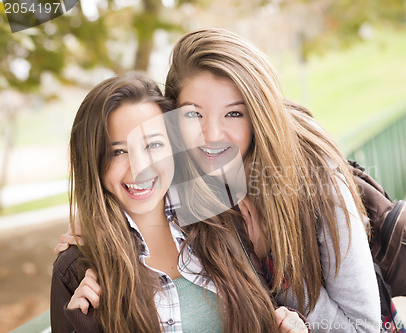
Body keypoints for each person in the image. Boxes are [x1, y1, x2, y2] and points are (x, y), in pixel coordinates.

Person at [50, 72, 308, 333]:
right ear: (92, 163)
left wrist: (290, 326)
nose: (140, 168)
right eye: (118, 152)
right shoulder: (76, 269)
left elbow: (267, 314)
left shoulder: (222, 221)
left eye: (153, 145)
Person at [163, 28, 381, 332]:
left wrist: (280, 272)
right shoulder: (180, 174)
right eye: (193, 114)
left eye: (234, 114)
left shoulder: (316, 177)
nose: (211, 135)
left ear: (258, 115)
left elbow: (363, 328)